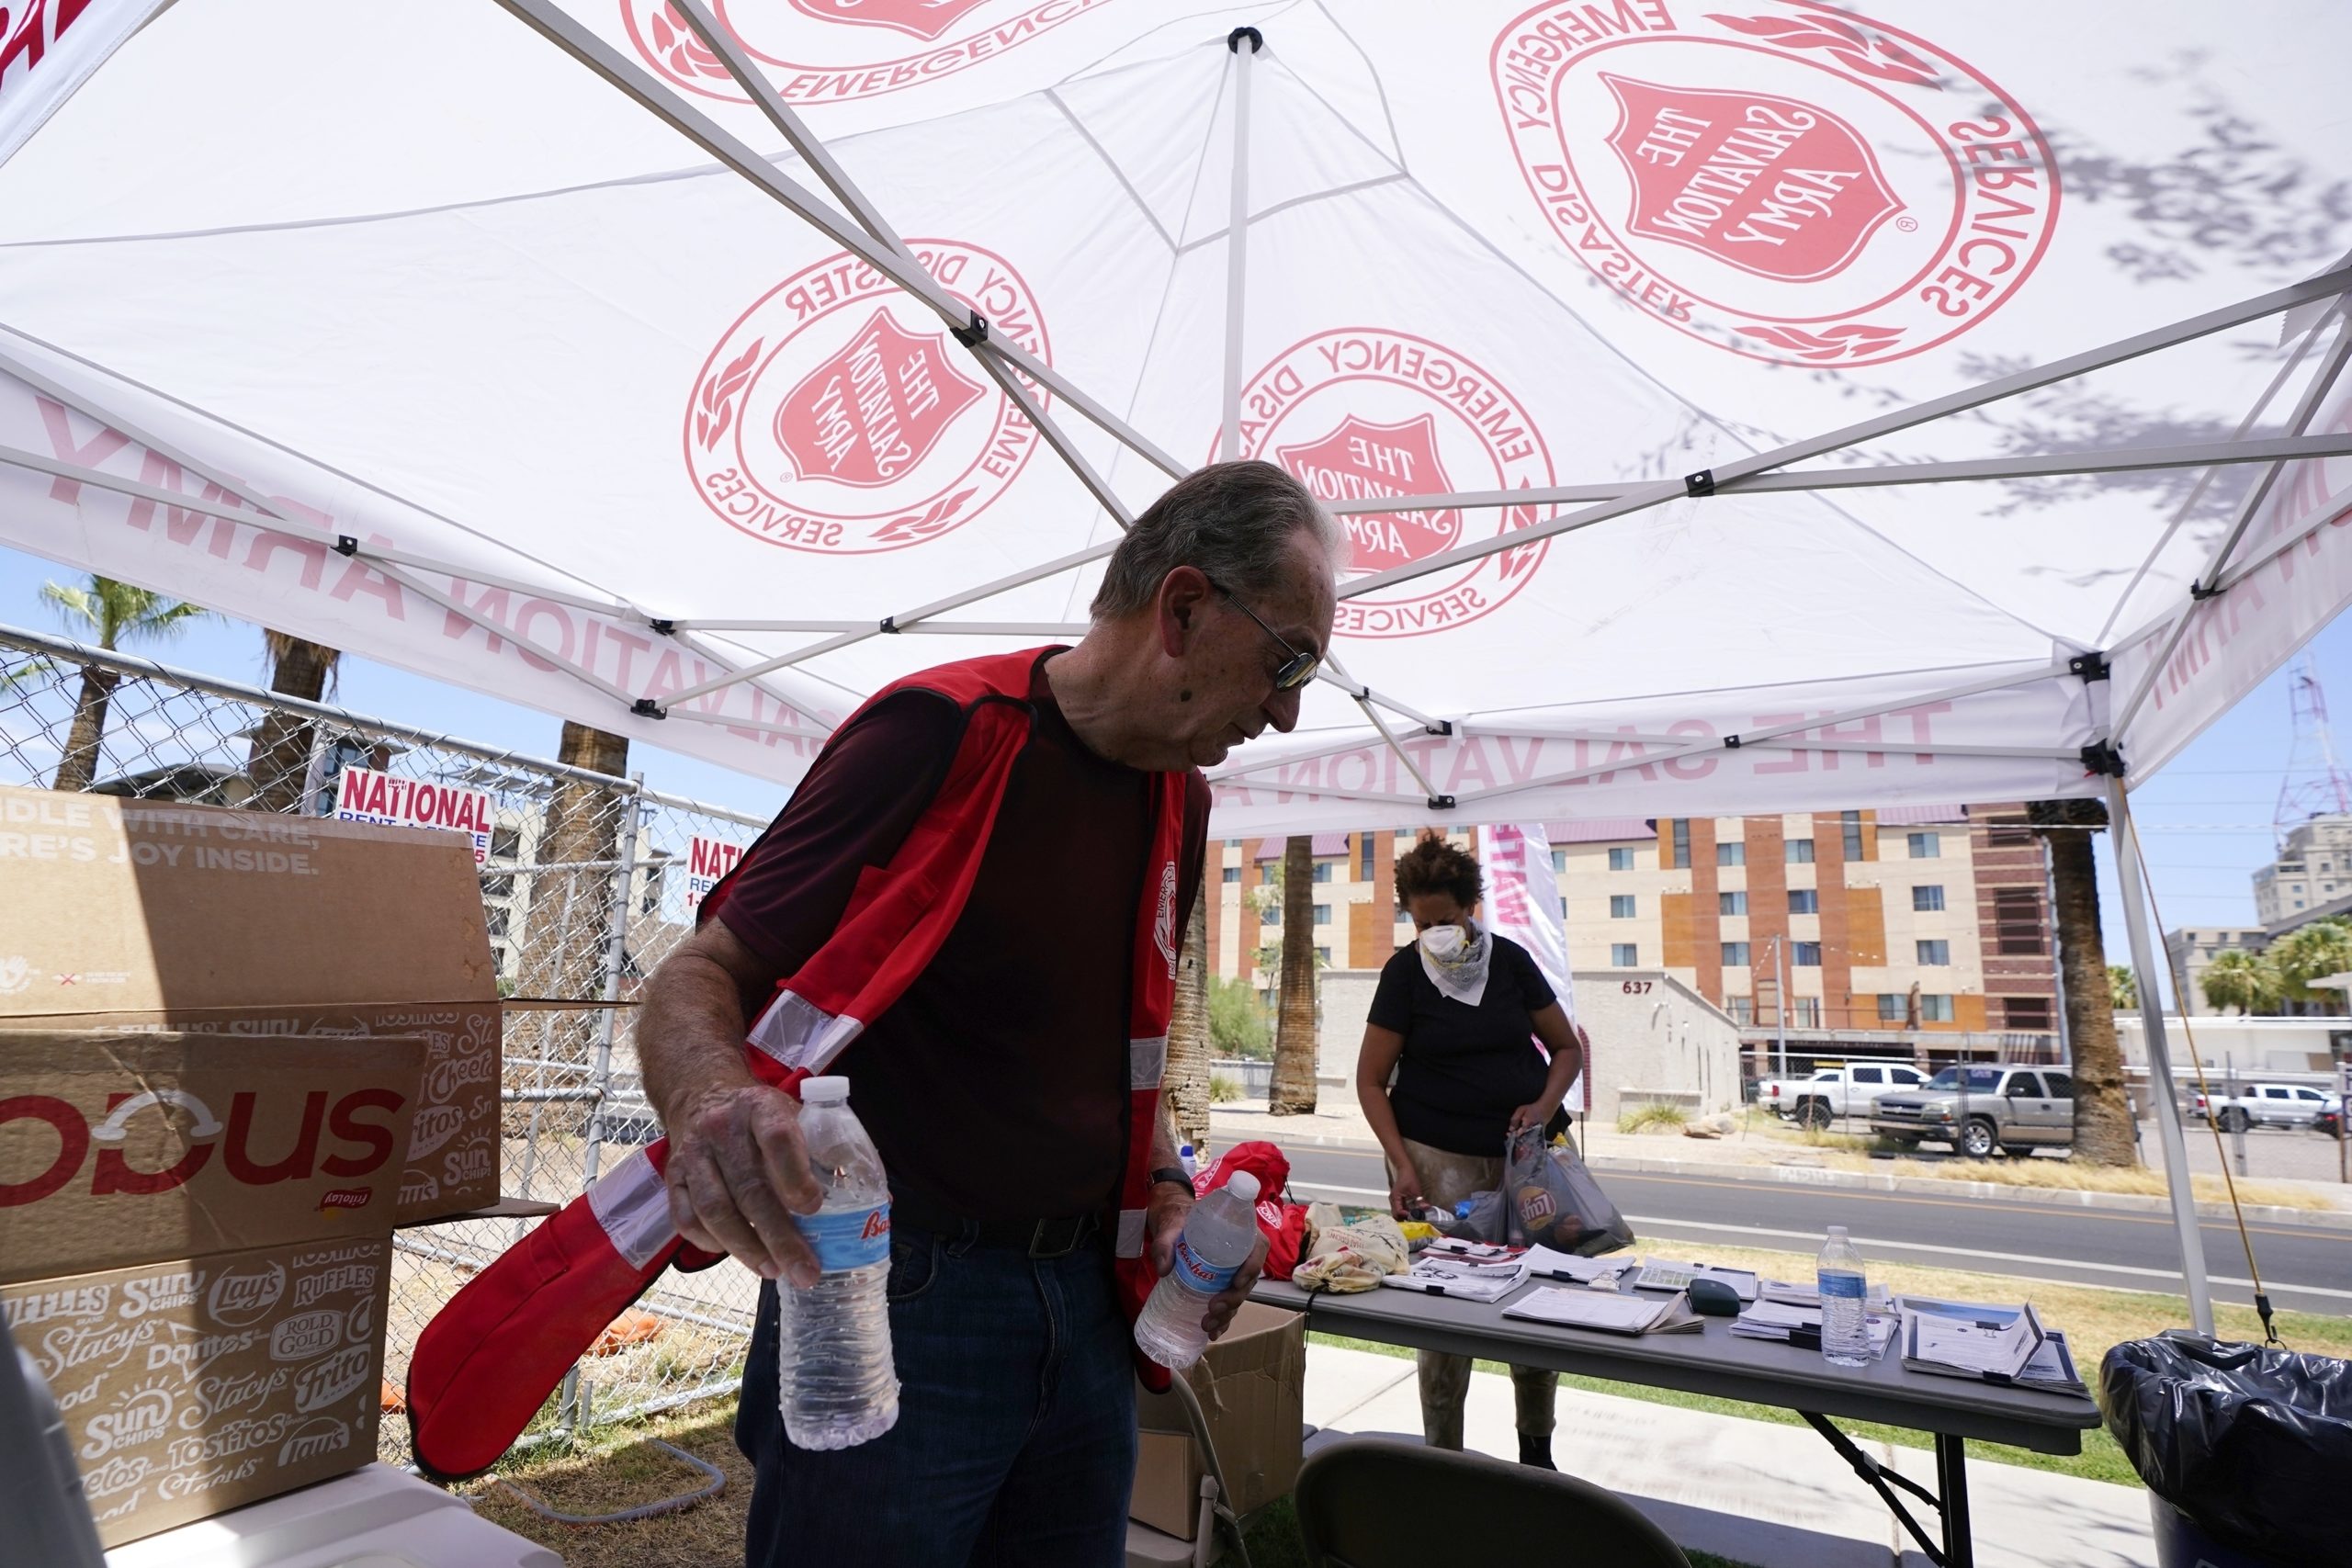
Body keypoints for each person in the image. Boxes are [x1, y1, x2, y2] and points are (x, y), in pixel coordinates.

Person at [635, 459, 1340, 1567]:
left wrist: (1165, 1190)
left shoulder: (1179, 798)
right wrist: (715, 1101)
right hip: (897, 1300)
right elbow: (696, 975)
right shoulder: (937, 731)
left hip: (1089, 1312)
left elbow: (1126, 1049)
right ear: (1185, 606)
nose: (1290, 708)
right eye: (1288, 658)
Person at [1355, 830, 1587, 1468]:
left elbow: (1566, 1049)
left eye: (1447, 919)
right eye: (1422, 921)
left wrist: (1540, 1108)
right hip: (1438, 1160)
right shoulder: (1404, 974)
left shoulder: (1510, 962)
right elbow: (1371, 1080)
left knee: (1538, 1301)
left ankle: (1536, 1450)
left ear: (1471, 907)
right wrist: (1401, 1164)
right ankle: (1444, 1459)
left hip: (1528, 1160)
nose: (1435, 933)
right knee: (1445, 1314)